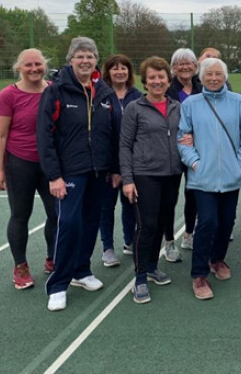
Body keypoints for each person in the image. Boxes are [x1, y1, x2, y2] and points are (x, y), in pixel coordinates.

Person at [37, 37, 120, 312]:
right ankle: (58, 284)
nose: (85, 61)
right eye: (80, 56)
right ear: (70, 59)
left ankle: (81, 271)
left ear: (96, 60)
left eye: (90, 56)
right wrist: (54, 176)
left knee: (90, 222)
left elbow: (115, 133)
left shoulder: (104, 91)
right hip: (69, 171)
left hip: (99, 171)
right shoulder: (57, 90)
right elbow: (44, 137)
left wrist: (116, 169)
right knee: (69, 224)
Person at [178, 58, 241, 300]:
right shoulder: (190, 104)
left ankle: (217, 259)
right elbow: (183, 139)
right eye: (208, 74)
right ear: (201, 77)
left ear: (225, 76)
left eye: (218, 74)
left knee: (226, 221)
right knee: (208, 222)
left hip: (231, 177)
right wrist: (195, 163)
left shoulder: (239, 102)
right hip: (203, 178)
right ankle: (199, 274)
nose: (213, 78)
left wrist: (239, 165)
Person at [0, 48, 57, 290]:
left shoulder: (53, 90)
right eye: (28, 65)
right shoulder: (8, 95)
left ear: (45, 65)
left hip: (50, 164)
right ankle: (20, 266)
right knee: (20, 215)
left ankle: (52, 258)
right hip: (20, 163)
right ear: (19, 68)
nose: (34, 69)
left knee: (56, 213)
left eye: (38, 64)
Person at [119, 57, 184, 304]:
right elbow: (125, 146)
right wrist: (128, 179)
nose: (157, 81)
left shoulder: (178, 107)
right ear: (145, 82)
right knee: (145, 226)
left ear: (169, 81)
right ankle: (140, 277)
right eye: (152, 77)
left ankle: (153, 266)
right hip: (144, 175)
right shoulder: (135, 108)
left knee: (160, 223)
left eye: (161, 77)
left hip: (172, 175)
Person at [99, 54, 142, 268]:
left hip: (132, 163)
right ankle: (107, 248)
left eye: (124, 68)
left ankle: (128, 241)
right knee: (106, 207)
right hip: (107, 165)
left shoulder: (137, 95)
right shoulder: (101, 95)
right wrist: (114, 168)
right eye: (115, 68)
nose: (120, 72)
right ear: (108, 71)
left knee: (130, 204)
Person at [165, 48, 203, 260]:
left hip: (196, 150)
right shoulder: (167, 88)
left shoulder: (201, 86)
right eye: (180, 63)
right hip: (171, 149)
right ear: (173, 68)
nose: (185, 66)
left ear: (195, 66)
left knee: (194, 194)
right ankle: (169, 241)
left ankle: (188, 234)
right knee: (169, 198)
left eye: (189, 62)